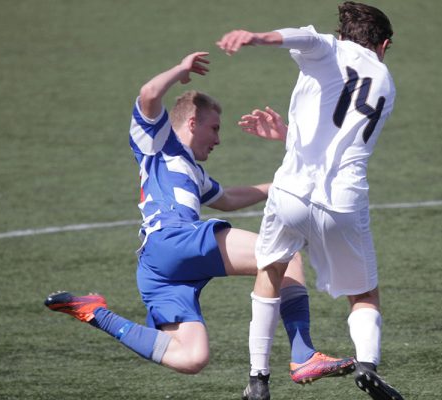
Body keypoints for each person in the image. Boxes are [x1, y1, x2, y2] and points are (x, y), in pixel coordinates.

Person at [44, 51, 354, 395]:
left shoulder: (192, 170)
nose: (218, 139)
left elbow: (229, 199)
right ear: (192, 122)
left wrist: (279, 186)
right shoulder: (157, 142)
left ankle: (95, 313)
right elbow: (149, 94)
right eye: (214, 128)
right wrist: (179, 70)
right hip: (173, 238)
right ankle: (303, 354)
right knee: (286, 255)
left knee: (192, 357)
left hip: (157, 267)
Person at [217, 2, 405, 399]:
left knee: (269, 272)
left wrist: (255, 37)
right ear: (384, 45)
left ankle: (258, 379)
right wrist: (291, 135)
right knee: (364, 295)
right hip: (343, 201)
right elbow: (340, 138)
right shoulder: (386, 81)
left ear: (343, 36)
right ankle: (367, 365)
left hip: (290, 193)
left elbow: (302, 37)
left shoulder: (331, 48)